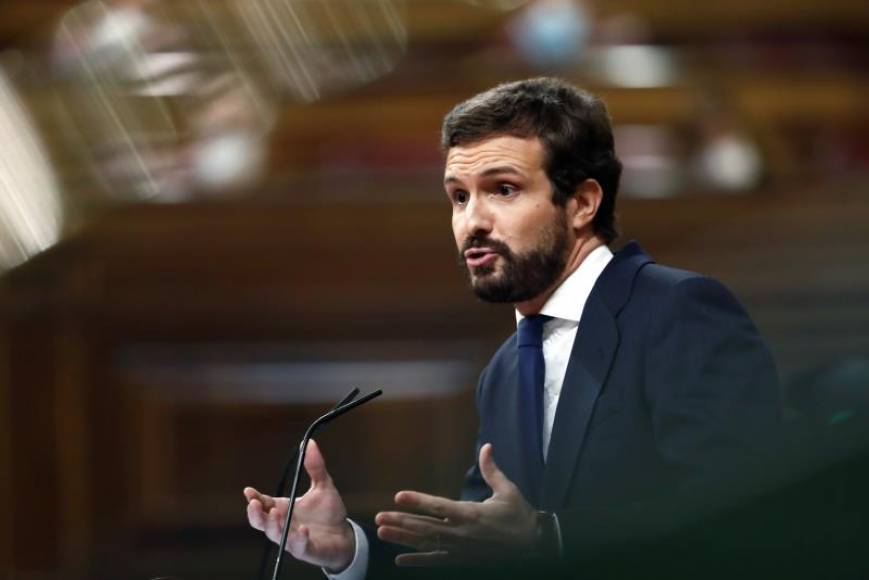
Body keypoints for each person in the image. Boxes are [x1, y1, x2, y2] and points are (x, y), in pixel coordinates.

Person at [243, 77, 780, 579]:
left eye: (502, 189)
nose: (472, 221)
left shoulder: (678, 310)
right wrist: (349, 550)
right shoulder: (505, 368)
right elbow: (479, 553)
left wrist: (550, 538)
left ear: (582, 203)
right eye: (458, 196)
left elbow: (743, 519)